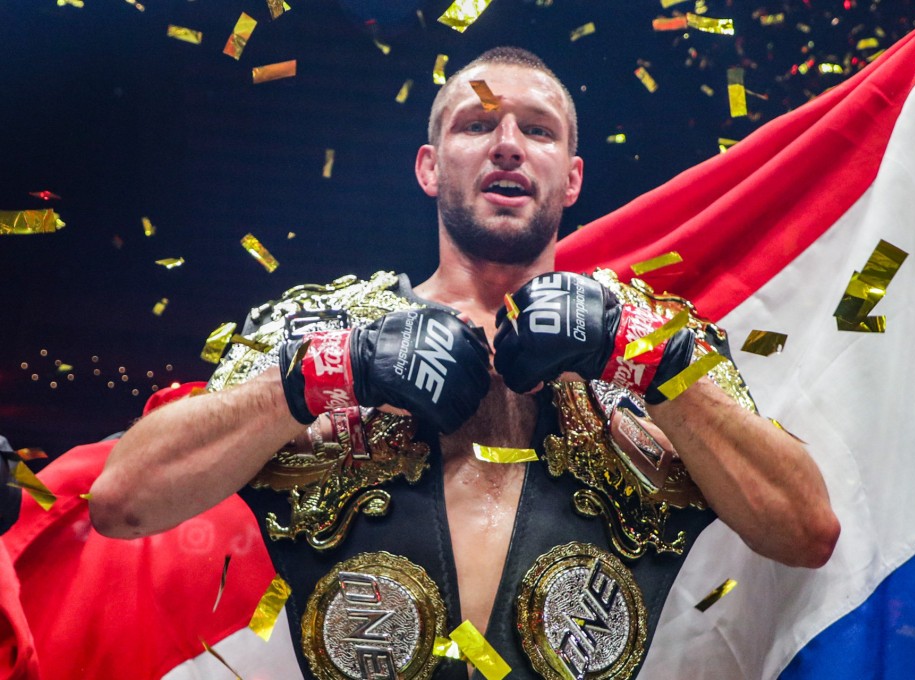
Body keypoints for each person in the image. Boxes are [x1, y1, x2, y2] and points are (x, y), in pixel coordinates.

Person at [90, 47, 839, 679]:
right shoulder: (319, 325)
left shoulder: (653, 337)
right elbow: (123, 501)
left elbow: (806, 531)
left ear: (571, 178)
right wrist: (324, 367)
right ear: (429, 166)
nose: (508, 144)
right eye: (477, 124)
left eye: (538, 131)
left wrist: (643, 353)